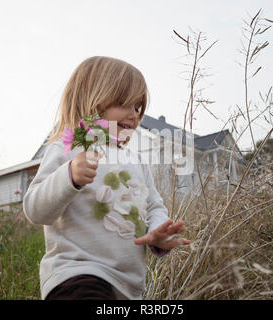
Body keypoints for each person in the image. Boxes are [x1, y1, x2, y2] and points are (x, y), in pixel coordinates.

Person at [23, 56, 191, 300]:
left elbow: (155, 207)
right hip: (76, 275)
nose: (133, 115)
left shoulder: (137, 161)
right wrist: (69, 177)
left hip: (129, 287)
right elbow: (35, 210)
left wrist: (158, 232)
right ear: (91, 100)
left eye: (137, 107)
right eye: (124, 103)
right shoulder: (67, 150)